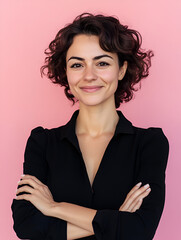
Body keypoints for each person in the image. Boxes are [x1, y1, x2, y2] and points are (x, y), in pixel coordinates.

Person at [11, 13, 169, 240]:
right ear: (66, 72)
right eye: (77, 64)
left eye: (102, 63)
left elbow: (141, 230)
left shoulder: (149, 144)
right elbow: (26, 225)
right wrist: (116, 220)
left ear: (122, 70)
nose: (89, 75)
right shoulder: (42, 143)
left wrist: (54, 208)